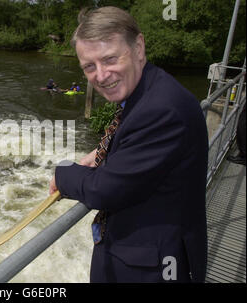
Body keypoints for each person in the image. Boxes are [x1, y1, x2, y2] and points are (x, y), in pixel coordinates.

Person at [49, 6, 208, 283]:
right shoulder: (150, 89)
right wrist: (100, 153)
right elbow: (141, 148)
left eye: (110, 59)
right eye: (89, 66)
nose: (100, 75)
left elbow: (106, 190)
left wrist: (63, 173)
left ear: (138, 47)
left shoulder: (161, 110)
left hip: (151, 268)